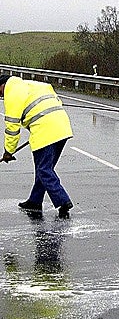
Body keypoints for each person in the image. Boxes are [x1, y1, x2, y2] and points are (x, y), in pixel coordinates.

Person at [0, 74, 74, 218]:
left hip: (45, 130)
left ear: (3, 85)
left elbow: (12, 127)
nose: (1, 96)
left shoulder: (11, 92)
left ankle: (63, 200)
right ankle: (35, 201)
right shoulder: (33, 85)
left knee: (44, 169)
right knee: (44, 169)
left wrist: (8, 151)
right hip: (62, 126)